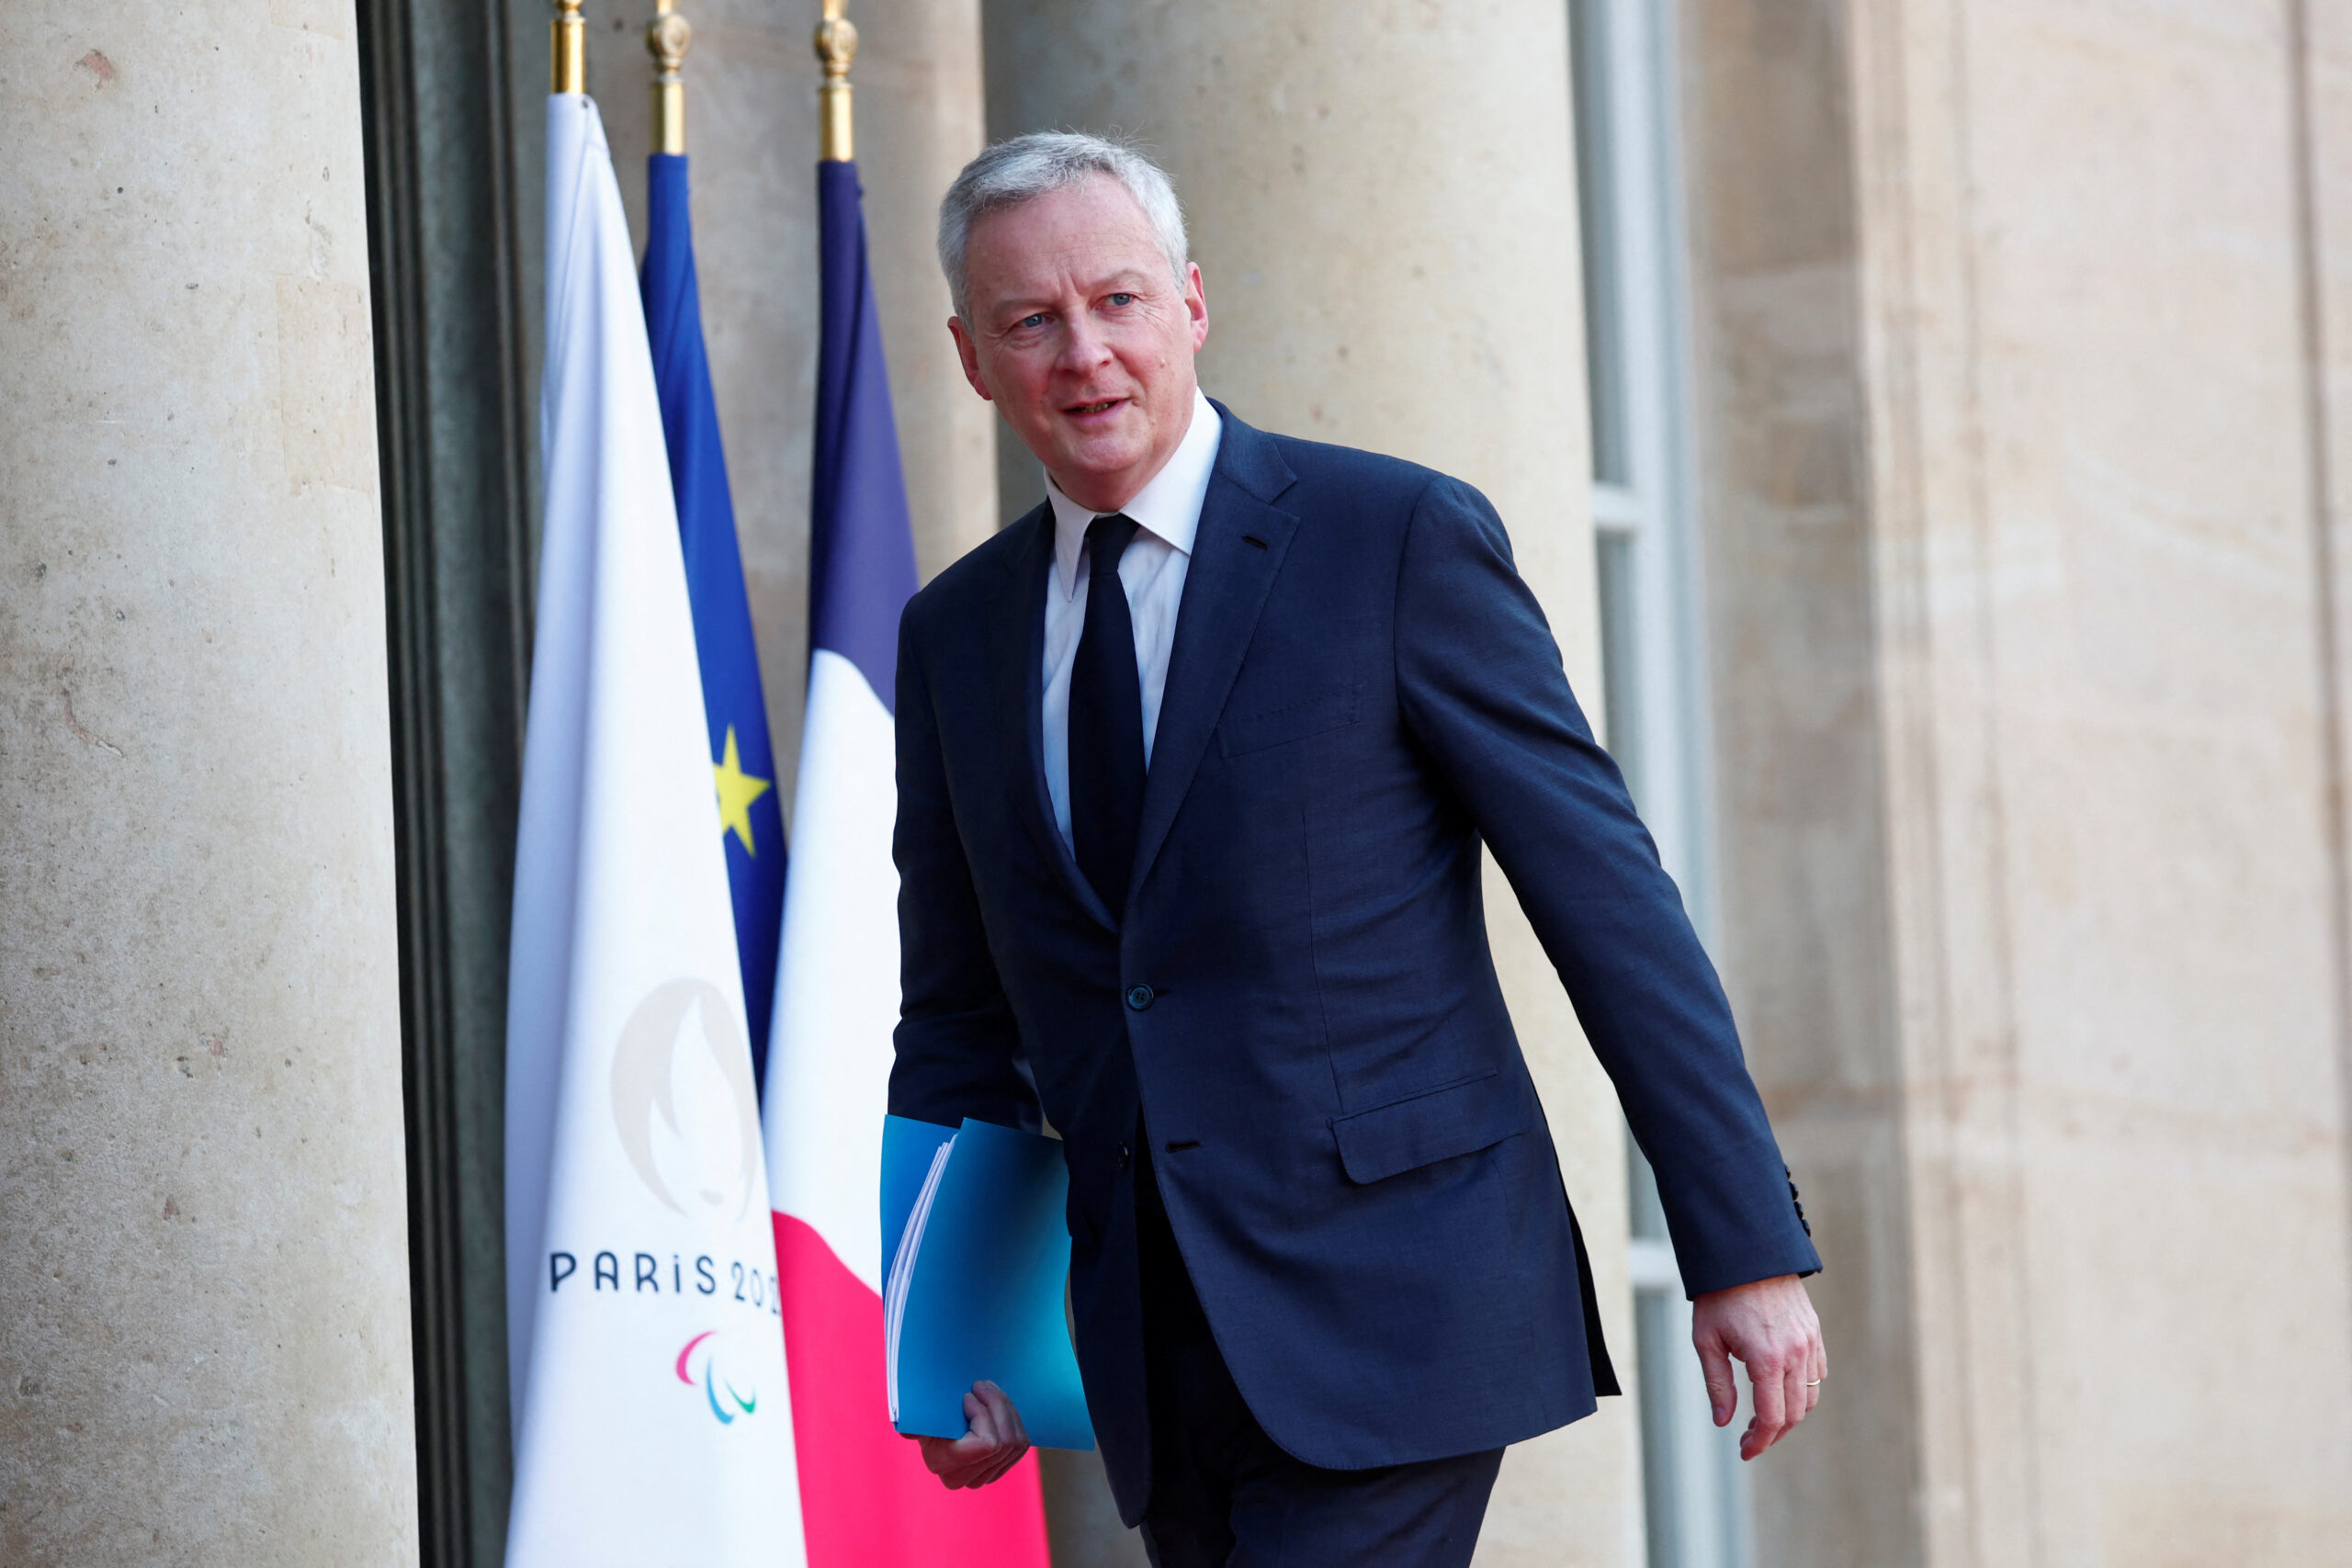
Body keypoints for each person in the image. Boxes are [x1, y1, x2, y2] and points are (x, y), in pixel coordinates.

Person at [888, 131, 1826, 1567]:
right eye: (1033, 320)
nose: (1085, 353)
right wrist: (948, 1343)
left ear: (1193, 303)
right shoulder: (956, 636)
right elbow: (960, 1018)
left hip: (1402, 1306)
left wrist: (1743, 1246)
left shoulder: (1391, 540)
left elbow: (1608, 904)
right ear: (971, 355)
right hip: (1150, 1348)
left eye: (1120, 301)